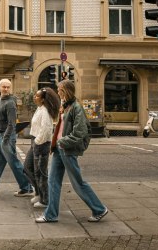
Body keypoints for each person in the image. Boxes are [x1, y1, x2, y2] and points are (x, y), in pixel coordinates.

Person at [36, 79, 108, 223]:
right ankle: (51, 215)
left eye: (60, 89)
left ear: (66, 91)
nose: (57, 92)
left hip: (67, 149)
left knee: (77, 182)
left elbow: (80, 132)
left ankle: (99, 209)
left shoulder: (76, 107)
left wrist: (61, 142)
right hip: (59, 149)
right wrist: (55, 143)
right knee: (53, 182)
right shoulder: (65, 105)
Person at [24, 87, 60, 209]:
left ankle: (45, 200)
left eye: (37, 96)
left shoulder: (45, 111)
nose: (35, 97)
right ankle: (39, 193)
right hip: (35, 141)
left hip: (41, 144)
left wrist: (38, 142)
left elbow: (46, 129)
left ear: (43, 99)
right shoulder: (39, 109)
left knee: (40, 173)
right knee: (28, 168)